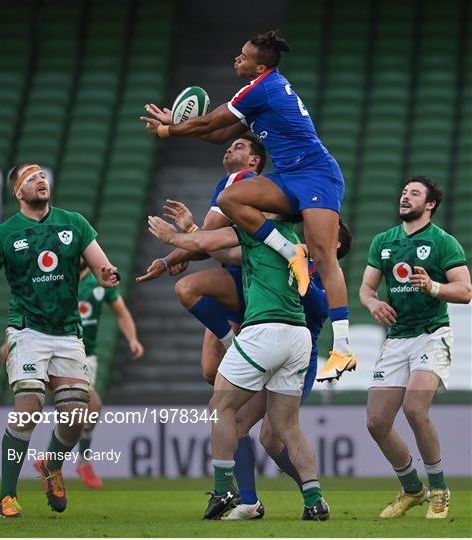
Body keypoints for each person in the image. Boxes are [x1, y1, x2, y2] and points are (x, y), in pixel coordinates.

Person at [141, 30, 356, 382]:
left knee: (324, 254)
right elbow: (218, 133)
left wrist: (170, 132)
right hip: (289, 175)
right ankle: (290, 252)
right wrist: (177, 124)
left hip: (317, 175)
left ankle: (344, 351)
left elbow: (211, 122)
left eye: (243, 55)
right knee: (231, 198)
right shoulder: (260, 92)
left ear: (260, 64)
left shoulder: (263, 88)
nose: (236, 58)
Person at [147, 213, 330, 521]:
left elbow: (209, 244)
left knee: (220, 406)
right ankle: (314, 500)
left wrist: (172, 239)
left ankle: (223, 491)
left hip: (264, 330)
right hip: (298, 337)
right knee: (287, 426)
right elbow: (219, 251)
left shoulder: (257, 234)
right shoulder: (297, 246)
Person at [0, 163, 120, 518]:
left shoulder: (74, 222)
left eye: (42, 175)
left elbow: (101, 265)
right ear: (18, 192)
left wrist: (108, 273)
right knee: (29, 407)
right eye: (31, 178)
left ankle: (51, 467)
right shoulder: (5, 233)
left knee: (76, 414)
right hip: (27, 330)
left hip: (68, 332)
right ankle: (6, 496)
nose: (40, 180)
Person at [359, 176, 471, 519]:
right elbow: (366, 288)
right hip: (397, 338)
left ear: (430, 204)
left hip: (431, 334)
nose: (405, 197)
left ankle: (439, 490)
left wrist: (433, 287)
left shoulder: (443, 242)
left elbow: (465, 291)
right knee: (376, 422)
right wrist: (373, 304)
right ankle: (412, 489)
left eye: (415, 193)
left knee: (414, 409)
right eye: (404, 192)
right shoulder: (384, 241)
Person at [0, 257, 145, 489]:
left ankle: (59, 462)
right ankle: (72, 463)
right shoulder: (56, 279)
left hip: (85, 356)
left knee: (86, 411)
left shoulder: (100, 282)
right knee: (87, 406)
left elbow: (122, 313)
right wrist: (12, 346)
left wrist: (133, 339)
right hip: (53, 350)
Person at [136, 133, 266, 384]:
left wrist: (172, 251)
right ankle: (245, 393)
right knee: (211, 370)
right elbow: (209, 242)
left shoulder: (239, 180)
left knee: (187, 288)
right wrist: (170, 259)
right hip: (240, 272)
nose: (229, 150)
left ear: (254, 161)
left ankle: (237, 352)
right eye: (228, 146)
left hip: (252, 276)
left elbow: (205, 236)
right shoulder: (252, 186)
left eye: (238, 147)